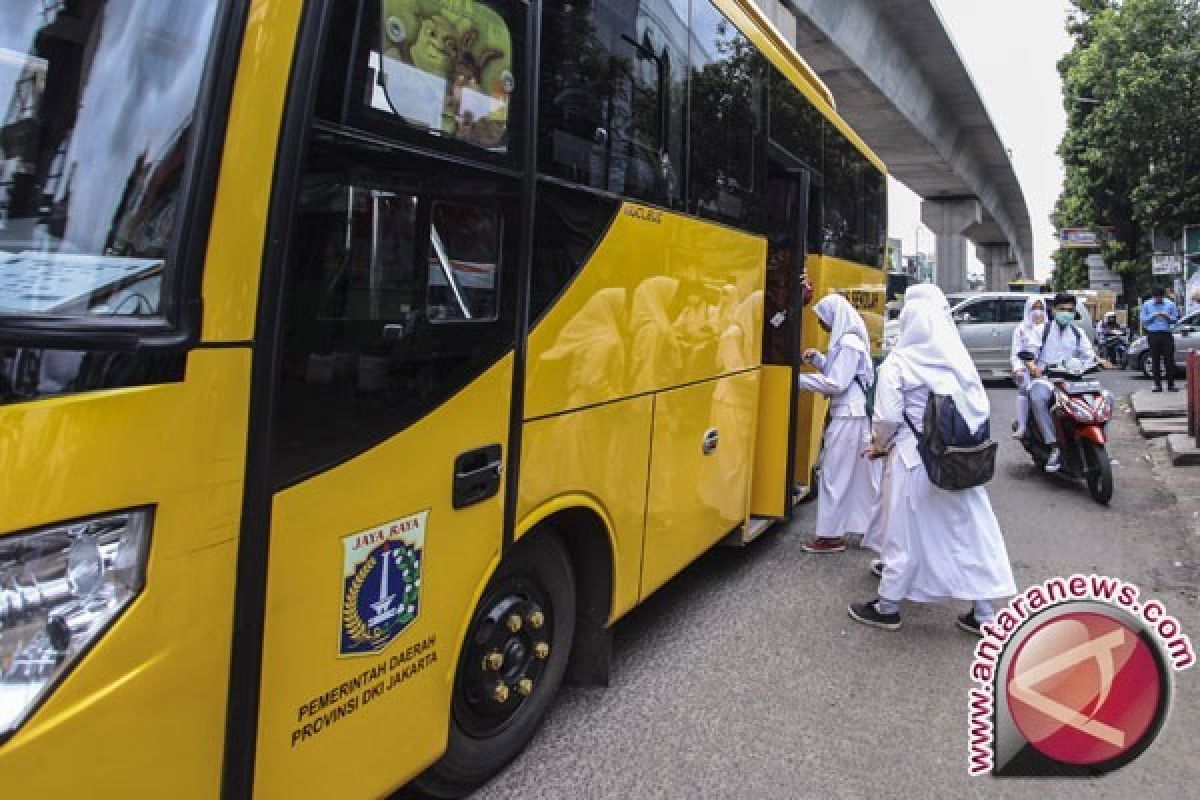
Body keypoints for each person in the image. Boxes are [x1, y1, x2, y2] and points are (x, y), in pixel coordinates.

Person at [850, 285, 1016, 635]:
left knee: (903, 534)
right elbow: (980, 411)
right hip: (957, 463)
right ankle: (984, 613)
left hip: (913, 461)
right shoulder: (959, 362)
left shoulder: (900, 362)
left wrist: (878, 445)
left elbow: (886, 418)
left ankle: (888, 605)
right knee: (969, 532)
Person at [796, 294, 881, 554]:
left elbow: (837, 383)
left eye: (822, 318)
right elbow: (842, 373)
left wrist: (797, 380)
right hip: (852, 415)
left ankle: (830, 536)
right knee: (860, 477)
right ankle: (873, 529)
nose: (821, 324)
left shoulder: (848, 343)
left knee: (834, 473)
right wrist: (819, 361)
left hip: (848, 415)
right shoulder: (848, 342)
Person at [1028, 293, 1104, 472]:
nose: (1066, 313)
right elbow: (1029, 353)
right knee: (1038, 397)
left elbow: (1089, 355)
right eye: (1062, 309)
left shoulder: (1078, 332)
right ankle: (1053, 445)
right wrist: (1033, 366)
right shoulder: (1042, 330)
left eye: (1070, 310)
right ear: (1054, 310)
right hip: (1047, 380)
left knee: (1105, 398)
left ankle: (1100, 446)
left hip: (1073, 380)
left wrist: (1099, 361)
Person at [1010, 295, 1047, 439]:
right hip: (1027, 368)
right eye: (1034, 308)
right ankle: (1023, 426)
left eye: (1041, 308)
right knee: (1024, 389)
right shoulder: (1021, 329)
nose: (1038, 311)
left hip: (1047, 368)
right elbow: (1016, 352)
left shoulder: (1050, 328)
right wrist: (1018, 369)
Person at [1140, 286, 1180, 393]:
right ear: (1153, 296)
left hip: (1166, 334)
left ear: (1163, 296)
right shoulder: (1147, 304)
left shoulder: (1170, 304)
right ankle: (1157, 385)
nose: (1158, 299)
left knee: (1169, 360)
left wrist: (1168, 317)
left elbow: (1175, 319)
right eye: (1156, 297)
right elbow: (1143, 320)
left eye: (1160, 297)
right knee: (1155, 360)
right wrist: (1153, 315)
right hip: (1153, 334)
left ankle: (1171, 385)